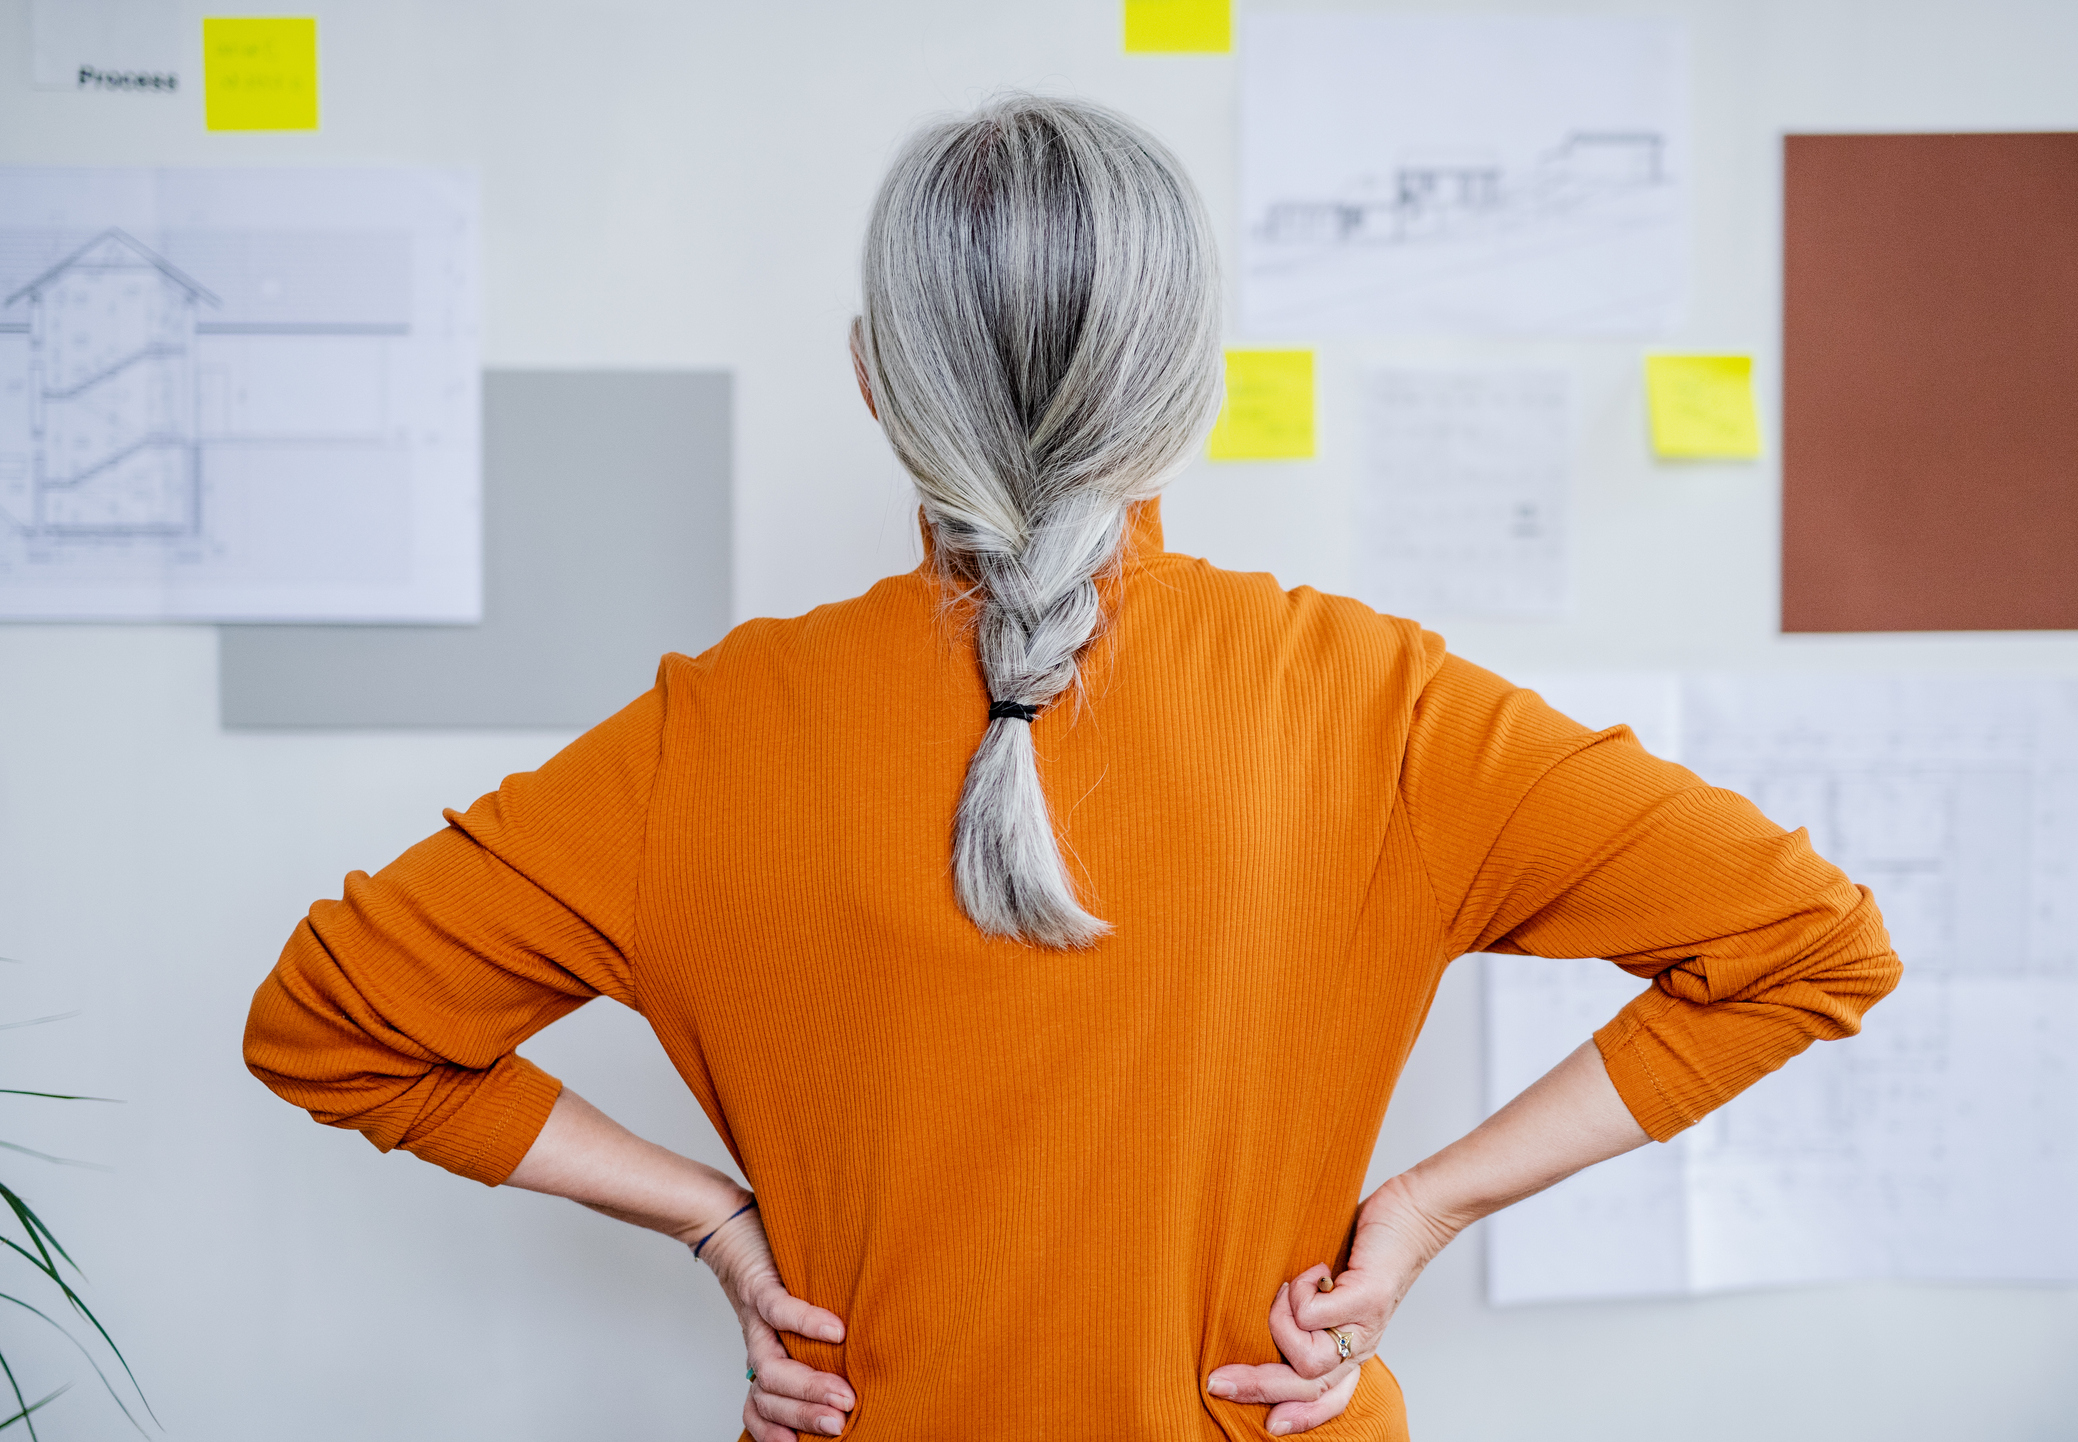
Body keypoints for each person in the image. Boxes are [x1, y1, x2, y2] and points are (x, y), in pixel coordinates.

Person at [243, 95, 1900, 1442]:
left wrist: (714, 1219)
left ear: (875, 380)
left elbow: (327, 1019)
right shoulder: (1376, 703)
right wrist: (1425, 1209)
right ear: (1187, 399)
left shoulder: (712, 733)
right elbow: (1808, 947)